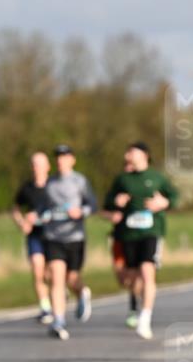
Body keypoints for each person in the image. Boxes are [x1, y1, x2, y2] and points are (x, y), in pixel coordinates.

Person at [103, 142, 178, 340]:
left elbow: (174, 196)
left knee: (147, 271)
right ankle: (138, 304)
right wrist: (116, 203)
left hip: (151, 232)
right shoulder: (123, 179)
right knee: (130, 279)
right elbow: (107, 203)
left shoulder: (156, 177)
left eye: (132, 151)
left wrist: (164, 202)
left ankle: (145, 318)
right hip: (129, 234)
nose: (128, 154)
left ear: (144, 155)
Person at [43, 144, 96, 340]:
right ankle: (58, 320)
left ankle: (82, 293)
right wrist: (42, 215)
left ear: (72, 159)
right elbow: (42, 208)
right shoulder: (50, 183)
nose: (60, 160)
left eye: (64, 156)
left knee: (71, 279)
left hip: (75, 237)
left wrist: (81, 212)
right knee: (56, 278)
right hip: (54, 237)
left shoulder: (79, 181)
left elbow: (92, 204)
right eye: (57, 156)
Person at [12, 152, 54, 324]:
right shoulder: (27, 188)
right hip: (35, 236)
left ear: (48, 166)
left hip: (53, 235)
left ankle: (58, 290)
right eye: (34, 164)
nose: (36, 168)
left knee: (50, 273)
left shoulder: (54, 186)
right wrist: (22, 222)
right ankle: (45, 308)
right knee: (37, 270)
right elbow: (15, 207)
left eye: (40, 164)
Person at [104, 159, 141, 328]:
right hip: (119, 237)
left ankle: (134, 308)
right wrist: (112, 215)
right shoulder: (117, 188)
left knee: (137, 273)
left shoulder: (143, 188)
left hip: (139, 237)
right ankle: (136, 294)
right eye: (126, 166)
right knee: (122, 277)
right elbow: (103, 210)